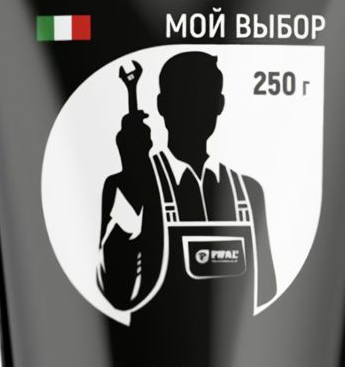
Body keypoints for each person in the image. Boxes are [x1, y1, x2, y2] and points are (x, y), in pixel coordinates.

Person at [97, 52, 276, 318]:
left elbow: (266, 296)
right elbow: (117, 294)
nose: (194, 109)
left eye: (204, 98)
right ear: (162, 105)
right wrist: (133, 183)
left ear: (219, 104)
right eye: (184, 97)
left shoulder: (249, 193)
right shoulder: (125, 186)